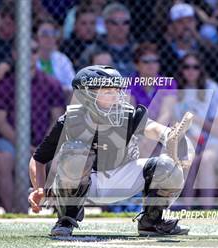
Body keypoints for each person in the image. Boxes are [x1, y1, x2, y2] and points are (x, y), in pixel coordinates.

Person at [28, 65, 194, 236]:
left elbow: (156, 130)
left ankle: (152, 222)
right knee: (76, 153)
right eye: (108, 91)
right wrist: (38, 188)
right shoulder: (70, 121)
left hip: (121, 179)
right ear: (86, 95)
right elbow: (38, 159)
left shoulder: (127, 115)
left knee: (168, 166)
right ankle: (66, 220)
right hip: (84, 186)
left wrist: (171, 137)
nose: (115, 96)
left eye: (116, 90)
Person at [0, 40, 65, 213]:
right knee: (3, 158)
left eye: (33, 50)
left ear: (38, 54)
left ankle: (58, 211)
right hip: (12, 140)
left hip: (45, 139)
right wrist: (23, 145)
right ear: (14, 55)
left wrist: (44, 145)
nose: (29, 55)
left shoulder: (51, 83)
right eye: (24, 50)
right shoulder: (5, 84)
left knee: (62, 157)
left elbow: (58, 119)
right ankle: (13, 212)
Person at [175, 52, 218, 209]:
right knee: (188, 158)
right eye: (186, 67)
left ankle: (207, 211)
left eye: (195, 67)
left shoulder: (212, 88)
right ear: (181, 70)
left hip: (213, 141)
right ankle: (187, 209)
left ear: (201, 69)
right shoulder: (177, 91)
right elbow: (173, 123)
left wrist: (196, 119)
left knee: (205, 160)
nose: (191, 71)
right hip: (187, 139)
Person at [158, 3, 217, 77]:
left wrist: (198, 37)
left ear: (195, 23)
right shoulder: (165, 53)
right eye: (180, 22)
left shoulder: (204, 49)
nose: (186, 26)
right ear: (171, 27)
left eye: (189, 21)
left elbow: (216, 62)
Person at [129, 42, 177, 125]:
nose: (151, 64)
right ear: (136, 65)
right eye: (146, 61)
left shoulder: (169, 83)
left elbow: (165, 115)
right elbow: (131, 116)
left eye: (155, 61)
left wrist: (152, 135)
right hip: (137, 131)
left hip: (162, 131)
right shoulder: (129, 84)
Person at [36, 19, 76, 102]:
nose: (49, 38)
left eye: (53, 34)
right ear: (36, 38)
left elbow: (73, 85)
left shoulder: (62, 59)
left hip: (60, 99)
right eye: (45, 34)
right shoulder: (30, 59)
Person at [60, 6, 100, 70]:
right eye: (83, 23)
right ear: (75, 25)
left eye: (92, 23)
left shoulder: (101, 43)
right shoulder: (67, 47)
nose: (88, 27)